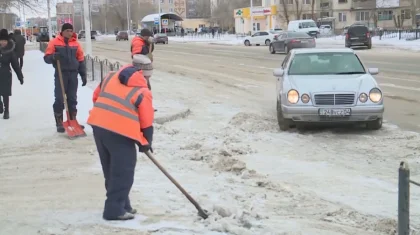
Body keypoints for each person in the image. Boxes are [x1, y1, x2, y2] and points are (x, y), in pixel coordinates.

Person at [87, 62, 154, 221]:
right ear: (143, 74)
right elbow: (146, 121)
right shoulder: (143, 92)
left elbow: (96, 97)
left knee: (111, 168)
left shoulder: (110, 76)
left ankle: (123, 204)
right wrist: (146, 142)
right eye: (149, 75)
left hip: (98, 125)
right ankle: (114, 210)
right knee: (124, 171)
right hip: (120, 133)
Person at [43, 23, 87, 133]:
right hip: (61, 74)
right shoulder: (54, 42)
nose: (69, 32)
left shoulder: (76, 44)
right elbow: (46, 58)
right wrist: (53, 57)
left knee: (72, 99)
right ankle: (59, 122)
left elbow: (80, 59)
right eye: (67, 30)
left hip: (73, 74)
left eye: (71, 30)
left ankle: (73, 120)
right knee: (59, 99)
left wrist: (83, 74)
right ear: (62, 32)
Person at [0, 29, 24, 120]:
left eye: (4, 41)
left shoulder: (10, 51)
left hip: (6, 74)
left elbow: (15, 66)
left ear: (7, 41)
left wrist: (20, 77)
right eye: (1, 41)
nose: (3, 43)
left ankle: (6, 111)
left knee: (5, 93)